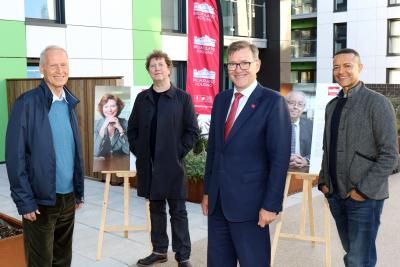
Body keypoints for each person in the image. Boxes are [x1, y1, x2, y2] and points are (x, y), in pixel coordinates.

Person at [201, 40, 291, 267]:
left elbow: (279, 159)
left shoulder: (273, 102)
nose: (238, 69)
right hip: (219, 203)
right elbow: (214, 151)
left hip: (251, 205)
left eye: (244, 63)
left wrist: (271, 204)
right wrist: (208, 191)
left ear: (257, 65)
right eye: (232, 64)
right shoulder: (221, 100)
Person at [5, 45, 84, 267]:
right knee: (40, 263)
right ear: (41, 69)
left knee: (62, 260)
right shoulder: (26, 103)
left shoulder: (70, 103)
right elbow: (15, 156)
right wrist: (25, 201)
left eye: (64, 65)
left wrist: (78, 191)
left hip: (68, 199)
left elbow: (72, 150)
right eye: (53, 65)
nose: (60, 70)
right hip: (40, 201)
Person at [319, 48, 398, 267]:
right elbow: (327, 149)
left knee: (358, 258)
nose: (341, 71)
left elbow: (390, 155)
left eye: (347, 66)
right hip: (335, 194)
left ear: (360, 68)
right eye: (336, 67)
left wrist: (362, 191)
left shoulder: (378, 103)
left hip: (365, 197)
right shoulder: (332, 106)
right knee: (352, 251)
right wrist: (323, 182)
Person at [127, 50, 199, 267]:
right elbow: (133, 129)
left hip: (173, 166)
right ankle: (159, 250)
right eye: (152, 66)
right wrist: (140, 151)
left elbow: (192, 131)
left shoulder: (183, 98)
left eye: (160, 64)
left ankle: (183, 256)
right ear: (149, 71)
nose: (157, 68)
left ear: (169, 68)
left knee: (178, 212)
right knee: (155, 209)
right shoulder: (142, 98)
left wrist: (178, 151)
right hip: (149, 166)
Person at [286, 91, 313, 169]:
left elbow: (318, 151)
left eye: (300, 104)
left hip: (303, 170)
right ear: (284, 104)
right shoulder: (273, 124)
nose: (296, 107)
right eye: (291, 103)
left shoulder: (311, 125)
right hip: (279, 169)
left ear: (303, 107)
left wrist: (306, 160)